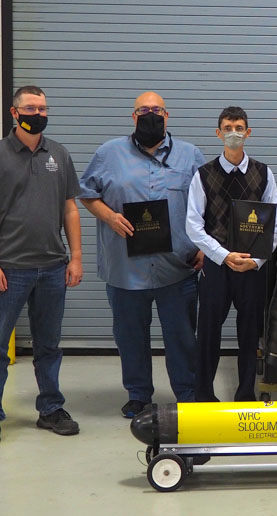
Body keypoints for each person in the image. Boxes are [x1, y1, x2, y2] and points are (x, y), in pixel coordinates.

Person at [79, 91, 206, 418]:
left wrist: (206, 248)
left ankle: (187, 394)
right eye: (144, 110)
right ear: (133, 117)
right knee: (130, 338)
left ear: (167, 115)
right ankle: (138, 395)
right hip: (125, 269)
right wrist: (109, 216)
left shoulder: (191, 155)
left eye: (157, 110)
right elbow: (87, 194)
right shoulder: (108, 153)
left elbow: (209, 206)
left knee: (182, 338)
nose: (151, 114)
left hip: (178, 268)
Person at [0, 85, 83, 443]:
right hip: (10, 268)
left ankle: (50, 408)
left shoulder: (59, 155)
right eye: (31, 108)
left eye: (43, 108)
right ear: (14, 113)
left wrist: (76, 257)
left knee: (49, 345)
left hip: (52, 267)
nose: (39, 114)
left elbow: (70, 209)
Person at [185, 106, 277, 402]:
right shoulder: (203, 175)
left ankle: (244, 396)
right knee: (208, 334)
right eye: (227, 128)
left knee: (249, 335)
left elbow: (275, 223)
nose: (233, 133)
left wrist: (257, 260)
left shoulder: (264, 173)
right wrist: (224, 256)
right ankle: (203, 396)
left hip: (252, 268)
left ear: (248, 133)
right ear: (218, 133)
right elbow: (193, 225)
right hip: (216, 267)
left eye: (239, 127)